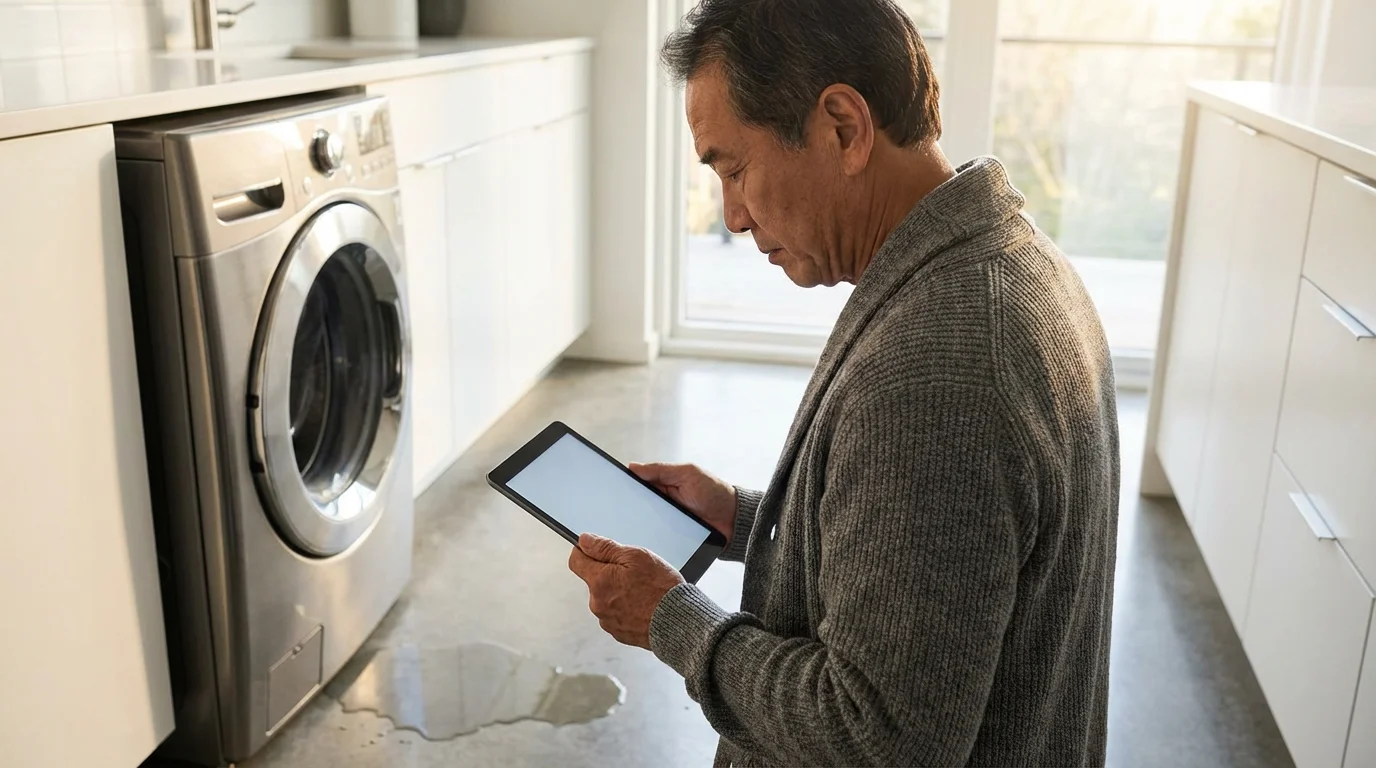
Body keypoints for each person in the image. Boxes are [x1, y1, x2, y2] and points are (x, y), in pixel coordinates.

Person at [567, 0, 1120, 765]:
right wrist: (746, 519)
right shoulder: (1008, 263)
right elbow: (953, 554)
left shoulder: (938, 369)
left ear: (843, 128)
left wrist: (673, 619)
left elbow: (875, 737)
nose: (731, 214)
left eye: (735, 167)